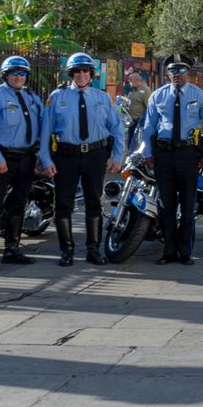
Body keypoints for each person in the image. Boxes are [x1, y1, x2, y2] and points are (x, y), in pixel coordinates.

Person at [40, 53, 124, 267]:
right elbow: (45, 132)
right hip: (66, 155)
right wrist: (46, 159)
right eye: (76, 71)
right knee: (63, 203)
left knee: (94, 202)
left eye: (85, 71)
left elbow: (117, 128)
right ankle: (66, 250)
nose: (81, 75)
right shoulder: (57, 97)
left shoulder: (102, 97)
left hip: (95, 154)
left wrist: (117, 155)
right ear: (70, 73)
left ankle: (93, 249)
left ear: (91, 74)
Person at [0, 56, 45, 271]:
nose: (18, 77)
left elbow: (43, 125)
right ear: (5, 75)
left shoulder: (32, 98)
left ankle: (11, 248)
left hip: (26, 158)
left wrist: (42, 156)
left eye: (22, 73)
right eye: (14, 73)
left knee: (17, 203)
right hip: (1, 159)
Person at [141, 54, 203, 265]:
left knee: (187, 204)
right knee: (166, 206)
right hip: (164, 154)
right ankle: (168, 250)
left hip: (188, 155)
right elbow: (149, 127)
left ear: (188, 73)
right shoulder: (158, 96)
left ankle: (185, 252)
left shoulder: (200, 96)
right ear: (167, 73)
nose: (177, 75)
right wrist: (148, 154)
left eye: (181, 71)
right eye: (173, 71)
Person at [125, 72, 149, 148]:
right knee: (130, 143)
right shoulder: (133, 90)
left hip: (139, 121)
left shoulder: (145, 90)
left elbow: (149, 107)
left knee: (136, 144)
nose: (129, 83)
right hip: (131, 121)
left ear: (137, 81)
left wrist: (143, 121)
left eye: (130, 81)